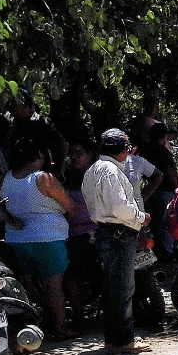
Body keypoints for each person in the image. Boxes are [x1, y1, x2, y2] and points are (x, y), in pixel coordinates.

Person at [0, 140, 77, 340]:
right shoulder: (43, 178)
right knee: (54, 285)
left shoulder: (4, 179)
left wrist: (11, 220)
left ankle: (39, 324)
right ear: (36, 157)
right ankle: (60, 328)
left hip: (17, 240)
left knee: (30, 285)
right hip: (48, 237)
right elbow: (69, 205)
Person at [83, 129, 151, 355]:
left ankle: (113, 339)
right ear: (123, 150)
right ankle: (123, 340)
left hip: (105, 232)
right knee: (123, 288)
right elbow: (119, 208)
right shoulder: (111, 171)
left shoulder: (93, 170)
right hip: (118, 233)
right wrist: (141, 217)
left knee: (112, 287)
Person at [62, 141, 100, 329]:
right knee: (71, 276)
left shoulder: (101, 174)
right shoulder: (69, 177)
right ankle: (78, 316)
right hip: (77, 234)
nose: (73, 157)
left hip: (100, 231)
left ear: (90, 153)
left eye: (78, 152)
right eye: (72, 153)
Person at [7, 88, 68, 179]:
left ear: (25, 106)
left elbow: (63, 144)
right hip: (19, 174)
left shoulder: (42, 123)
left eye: (15, 106)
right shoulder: (14, 125)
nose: (12, 110)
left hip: (43, 173)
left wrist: (58, 170)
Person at [142, 123, 178, 259]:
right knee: (165, 223)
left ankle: (158, 252)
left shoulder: (146, 150)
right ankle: (166, 253)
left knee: (157, 223)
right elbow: (169, 171)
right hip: (164, 191)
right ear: (164, 136)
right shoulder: (160, 151)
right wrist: (176, 187)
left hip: (152, 192)